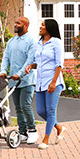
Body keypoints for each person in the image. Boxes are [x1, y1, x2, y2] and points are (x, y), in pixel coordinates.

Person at [0, 16, 39, 143]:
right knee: (18, 108)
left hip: (27, 80)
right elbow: (6, 58)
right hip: (13, 81)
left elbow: (30, 61)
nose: (15, 25)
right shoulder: (11, 41)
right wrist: (3, 71)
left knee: (25, 105)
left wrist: (20, 74)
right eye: (15, 22)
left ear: (25, 26)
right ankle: (23, 133)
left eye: (18, 23)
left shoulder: (32, 42)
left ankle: (32, 131)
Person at [31, 18, 66, 150]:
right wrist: (31, 65)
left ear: (49, 27)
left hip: (53, 82)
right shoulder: (39, 43)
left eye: (43, 25)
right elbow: (39, 62)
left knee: (51, 111)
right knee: (40, 110)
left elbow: (59, 64)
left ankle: (45, 139)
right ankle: (59, 127)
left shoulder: (56, 43)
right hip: (40, 82)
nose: (40, 27)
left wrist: (53, 82)